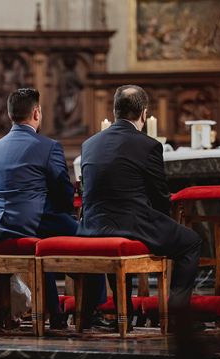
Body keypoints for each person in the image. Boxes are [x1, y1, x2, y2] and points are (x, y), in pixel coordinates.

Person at [77, 84, 202, 328]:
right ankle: (177, 315)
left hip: (92, 226)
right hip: (131, 223)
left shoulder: (89, 144)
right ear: (144, 113)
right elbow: (159, 196)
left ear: (115, 111)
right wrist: (164, 221)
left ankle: (126, 310)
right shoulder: (148, 145)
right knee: (191, 242)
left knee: (122, 230)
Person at [0, 87, 104, 329]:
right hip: (34, 222)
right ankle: (90, 315)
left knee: (42, 248)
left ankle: (56, 313)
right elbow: (63, 192)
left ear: (10, 115)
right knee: (94, 245)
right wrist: (64, 208)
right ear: (36, 113)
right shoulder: (48, 146)